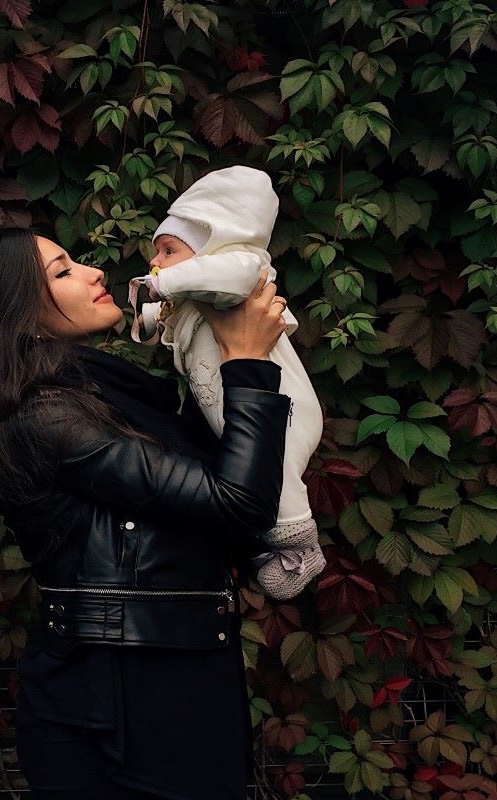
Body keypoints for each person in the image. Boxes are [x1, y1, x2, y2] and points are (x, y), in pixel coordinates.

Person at [0, 227, 293, 799]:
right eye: (62, 272)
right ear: (15, 316)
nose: (93, 272)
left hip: (169, 690)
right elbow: (239, 503)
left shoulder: (102, 395)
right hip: (122, 709)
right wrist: (249, 361)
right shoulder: (48, 420)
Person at [127, 165, 326, 600]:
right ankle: (262, 544)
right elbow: (166, 317)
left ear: (211, 247)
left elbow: (226, 275)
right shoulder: (197, 298)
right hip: (235, 406)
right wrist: (147, 315)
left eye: (168, 250)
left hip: (281, 405)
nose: (156, 262)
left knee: (280, 474)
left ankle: (300, 548)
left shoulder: (240, 271)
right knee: (252, 476)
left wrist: (161, 283)